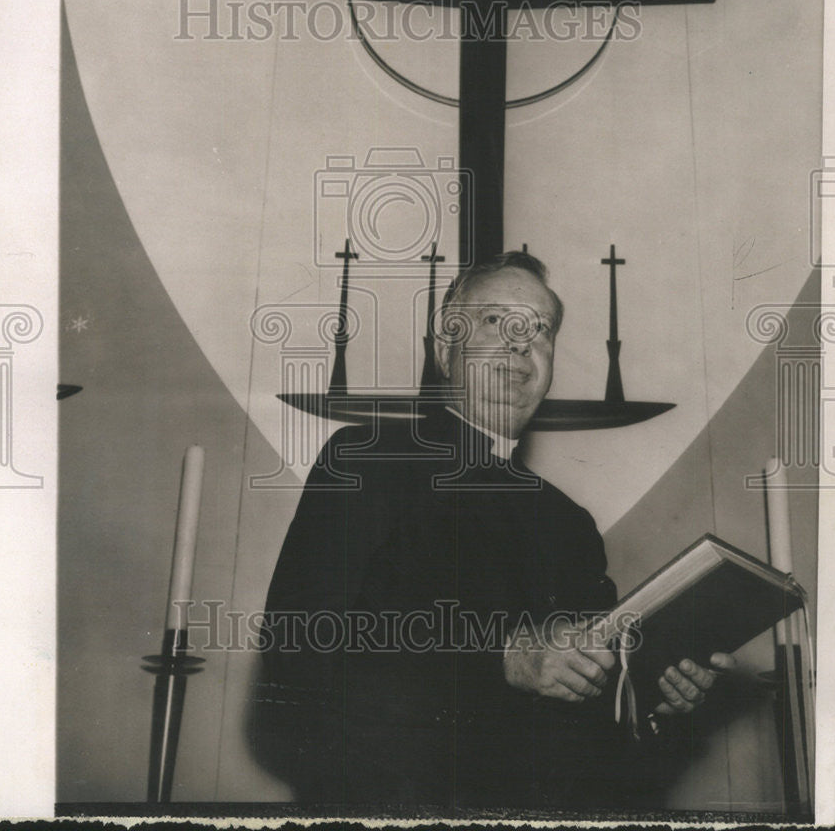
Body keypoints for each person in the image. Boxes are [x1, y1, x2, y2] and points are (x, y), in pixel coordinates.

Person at [251, 251, 733, 811]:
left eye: (540, 330)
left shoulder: (568, 522)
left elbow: (587, 705)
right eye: (495, 322)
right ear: (445, 352)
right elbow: (298, 641)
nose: (522, 344)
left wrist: (651, 689)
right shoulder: (366, 462)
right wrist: (501, 658)